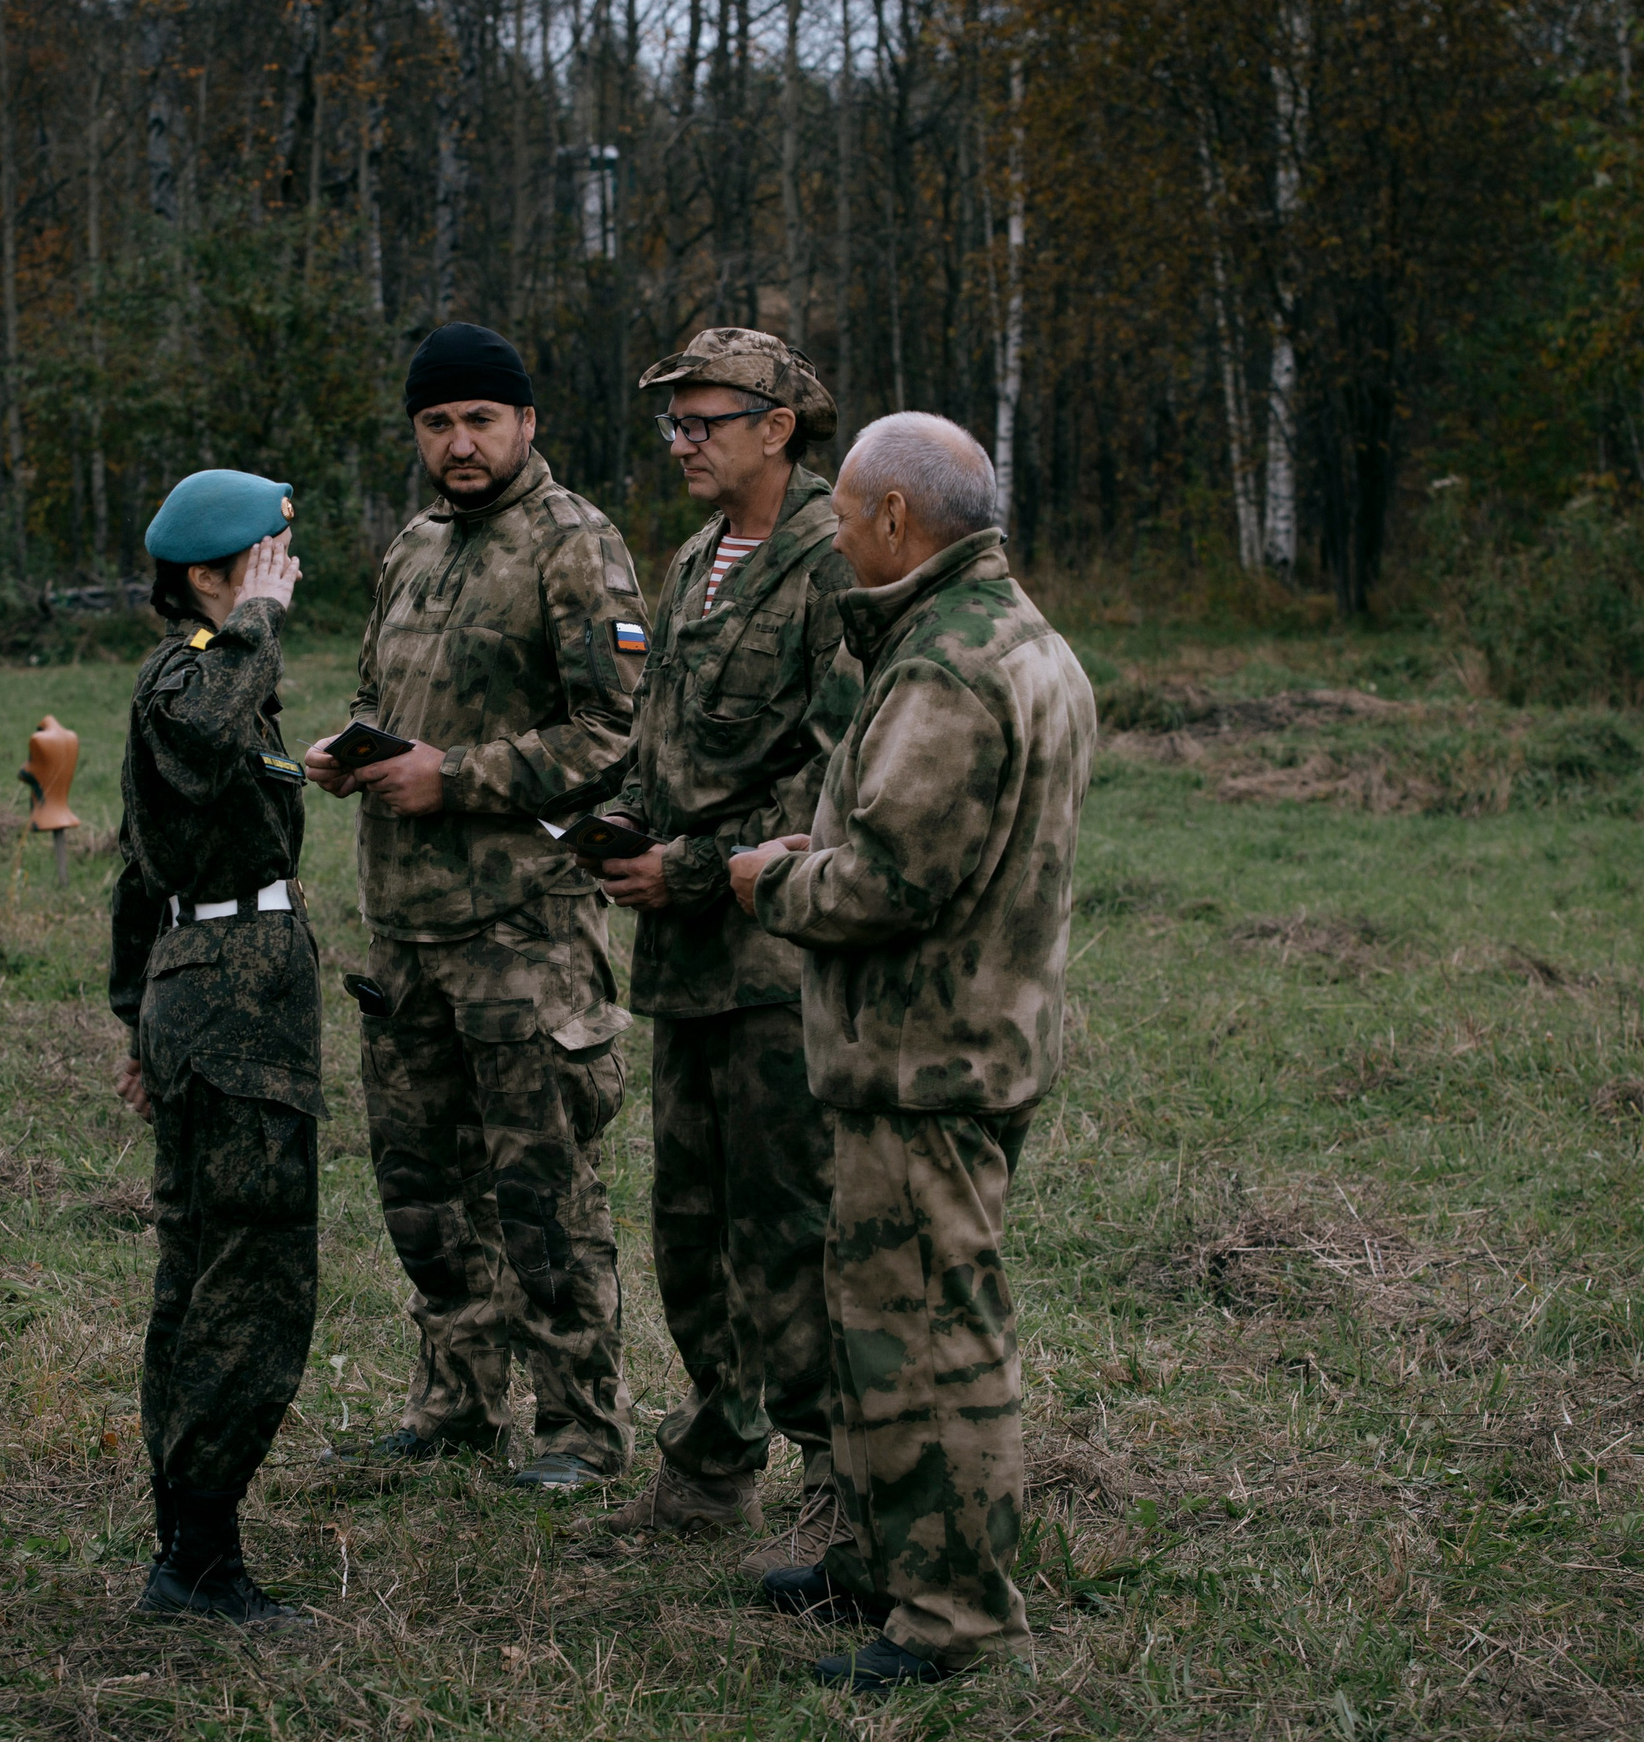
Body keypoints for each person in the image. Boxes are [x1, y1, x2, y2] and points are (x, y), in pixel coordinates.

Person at [726, 413, 1097, 1690]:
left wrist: (770, 882)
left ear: (894, 518)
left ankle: (953, 1618)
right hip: (958, 1041)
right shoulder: (1021, 636)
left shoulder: (949, 664)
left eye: (841, 514)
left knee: (933, 1337)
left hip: (925, 1058)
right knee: (879, 1324)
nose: (830, 536)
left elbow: (890, 880)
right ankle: (884, 1563)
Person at [305, 323, 649, 1490]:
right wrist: (351, 753)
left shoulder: (573, 544)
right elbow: (379, 693)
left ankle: (578, 1430)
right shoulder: (412, 546)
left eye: (480, 421)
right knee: (423, 1193)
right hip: (403, 936)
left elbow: (614, 735)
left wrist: (450, 776)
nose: (459, 443)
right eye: (437, 423)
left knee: (541, 1194)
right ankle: (453, 1405)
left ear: (526, 423)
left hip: (523, 938)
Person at [571, 329, 859, 1570]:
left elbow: (832, 778)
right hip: (685, 957)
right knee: (689, 1222)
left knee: (785, 1222)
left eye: (704, 419)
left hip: (773, 950)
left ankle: (838, 1482)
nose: (682, 441)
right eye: (673, 423)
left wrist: (689, 865)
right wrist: (625, 819)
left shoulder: (837, 558)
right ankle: (711, 1462)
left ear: (777, 427)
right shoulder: (692, 561)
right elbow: (669, 737)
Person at [109, 469, 322, 1622]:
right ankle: (197, 1558)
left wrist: (133, 1018)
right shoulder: (198, 673)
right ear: (207, 573)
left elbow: (141, 864)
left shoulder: (214, 674)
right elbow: (196, 733)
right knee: (250, 1273)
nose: (289, 572)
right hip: (235, 1004)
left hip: (211, 994)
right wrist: (256, 627)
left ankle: (191, 1541)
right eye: (270, 554)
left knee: (208, 1267)